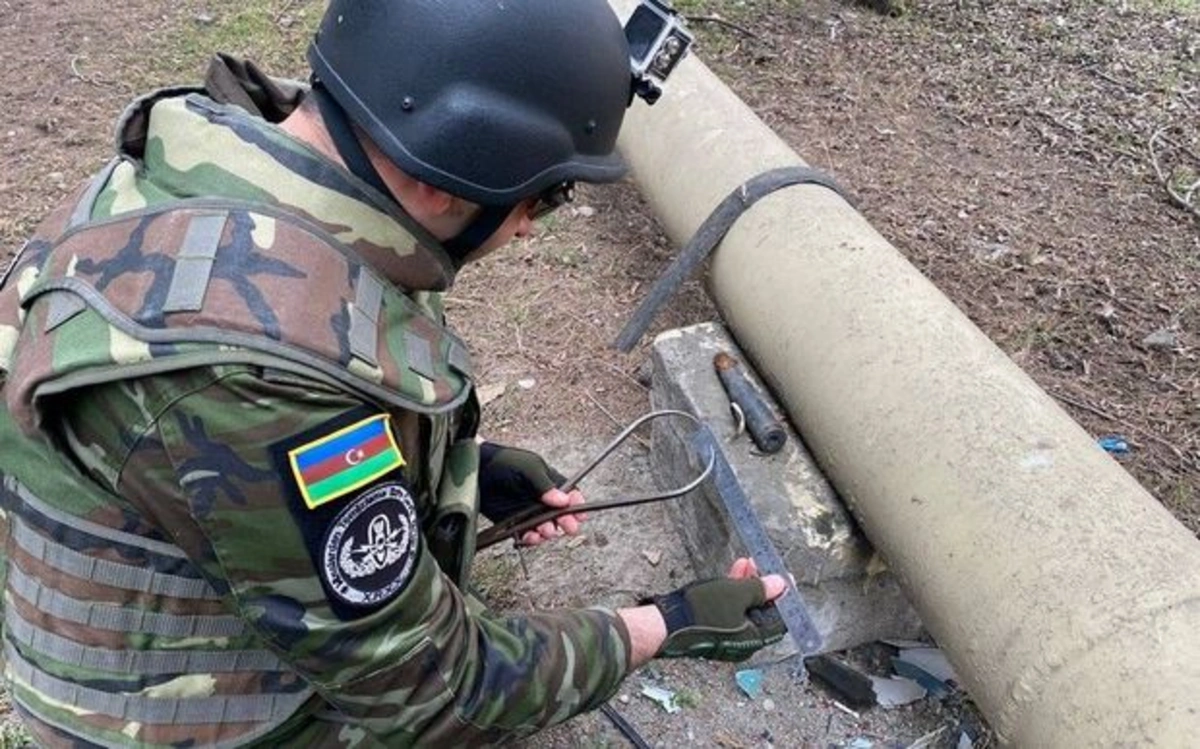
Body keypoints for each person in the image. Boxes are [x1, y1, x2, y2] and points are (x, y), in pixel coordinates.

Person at [0, 0, 787, 745]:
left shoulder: (220, 173)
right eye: (545, 197)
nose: (529, 230)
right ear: (443, 176)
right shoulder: (250, 375)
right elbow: (442, 693)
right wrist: (661, 623)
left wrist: (460, 471)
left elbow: (257, 452)